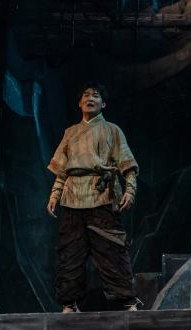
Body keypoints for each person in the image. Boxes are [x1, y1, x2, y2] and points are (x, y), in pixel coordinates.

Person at [46, 83, 139, 312]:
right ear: (79, 103)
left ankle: (127, 301)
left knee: (111, 249)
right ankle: (69, 303)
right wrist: (54, 194)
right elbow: (61, 171)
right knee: (70, 252)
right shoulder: (70, 132)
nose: (90, 98)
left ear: (103, 104)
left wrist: (130, 190)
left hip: (101, 195)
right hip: (72, 197)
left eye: (96, 96)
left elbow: (128, 165)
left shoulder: (112, 130)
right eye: (86, 95)